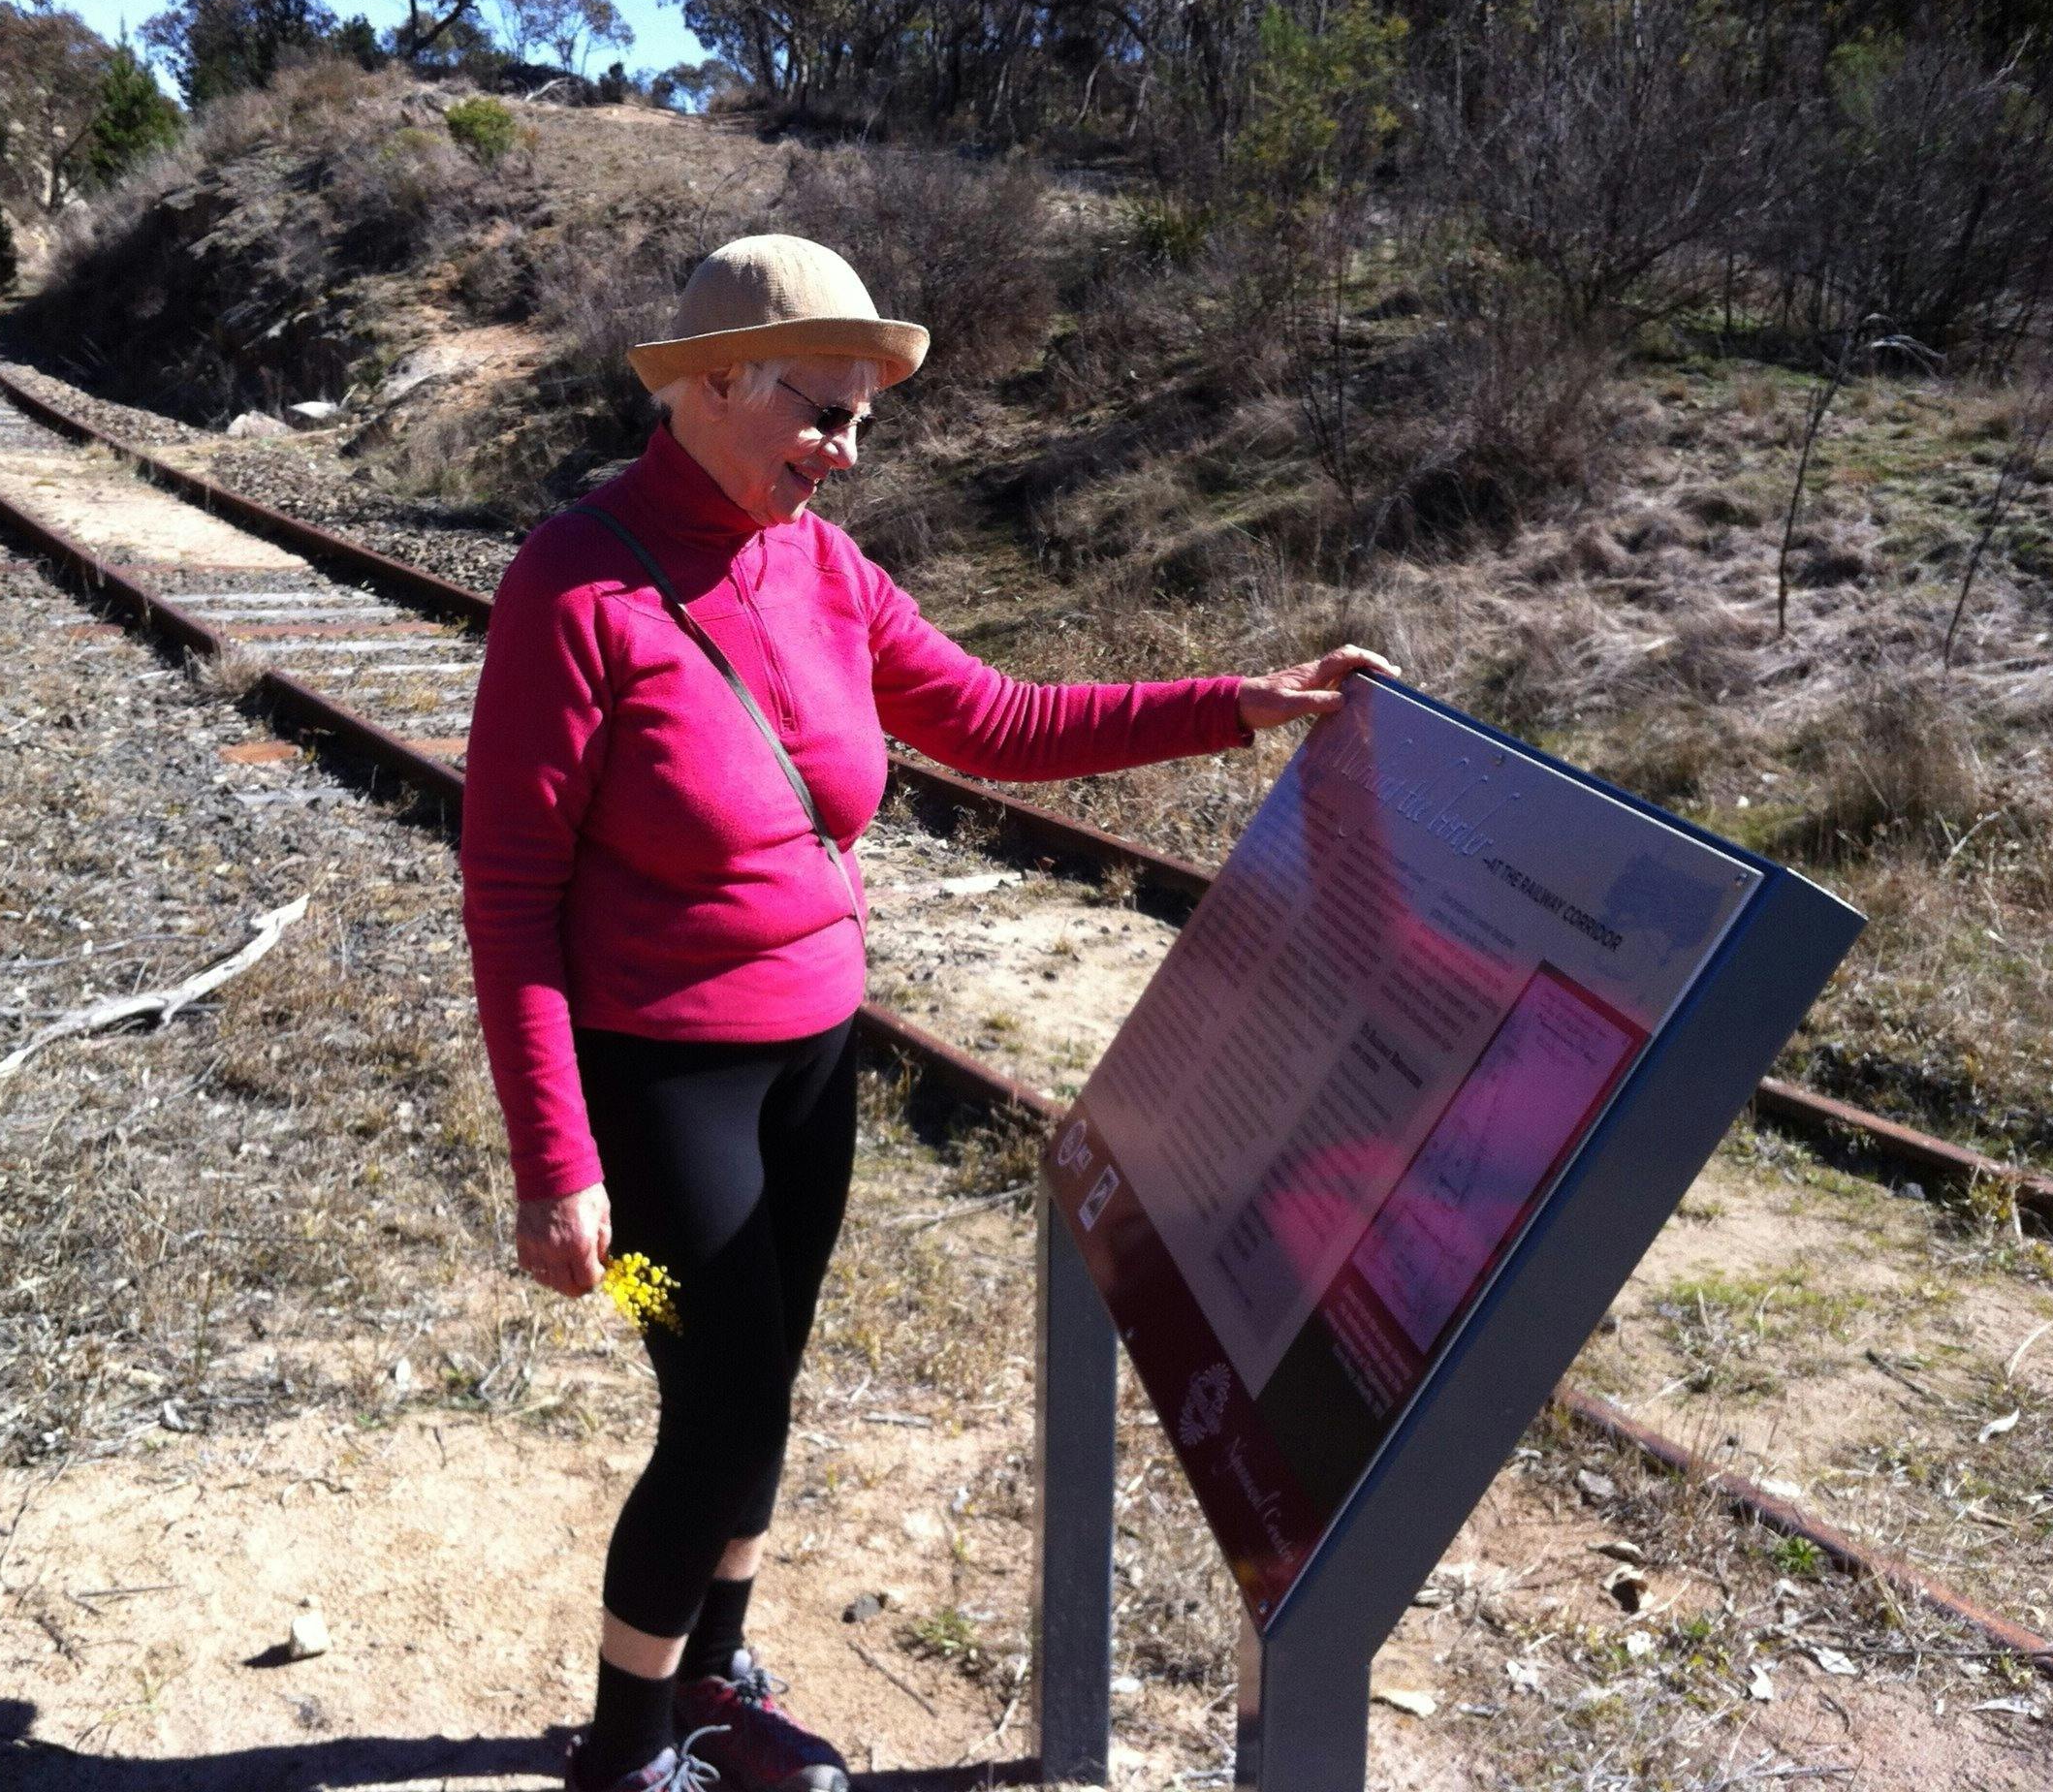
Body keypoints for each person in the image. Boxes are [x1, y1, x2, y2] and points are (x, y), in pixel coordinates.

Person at [459, 234, 1401, 1792]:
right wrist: (553, 1167)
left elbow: (1000, 720)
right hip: (645, 1096)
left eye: (859, 425)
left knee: (769, 1374)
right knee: (707, 1400)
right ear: (703, 387)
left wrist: (1236, 704)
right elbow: (510, 901)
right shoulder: (575, 584)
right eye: (816, 413)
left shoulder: (821, 569)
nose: (841, 452)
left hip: (809, 1071)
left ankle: (716, 1674)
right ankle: (626, 1748)